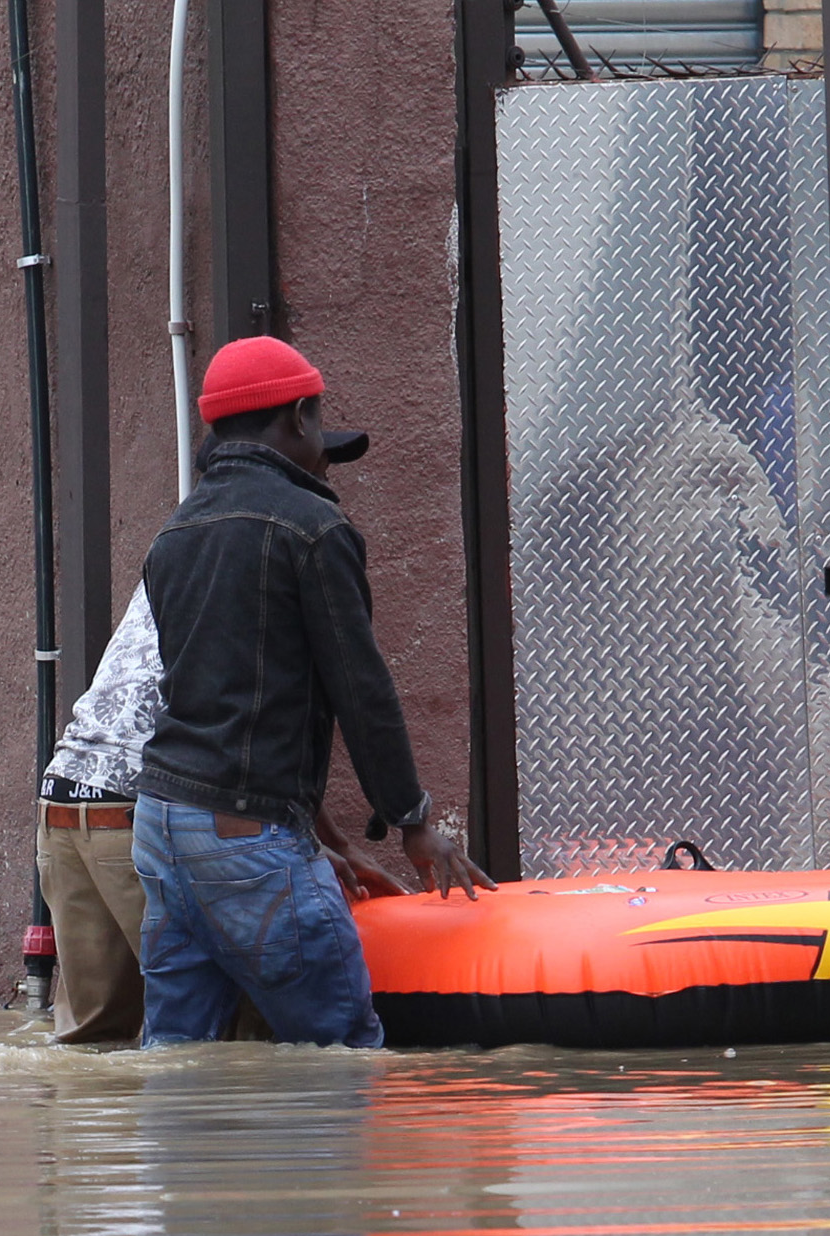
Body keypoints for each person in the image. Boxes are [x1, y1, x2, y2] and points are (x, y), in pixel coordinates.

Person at [133, 336, 492, 1047]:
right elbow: (360, 688)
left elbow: (225, 708)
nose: (327, 454)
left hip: (162, 826)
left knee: (176, 1062)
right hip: (242, 830)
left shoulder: (173, 536)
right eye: (322, 430)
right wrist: (411, 815)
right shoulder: (314, 529)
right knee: (342, 1053)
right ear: (297, 416)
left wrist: (314, 838)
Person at [37, 431, 403, 1044]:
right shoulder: (275, 554)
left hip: (64, 801)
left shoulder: (185, 550)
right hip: (148, 806)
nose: (324, 475)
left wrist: (323, 835)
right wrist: (402, 817)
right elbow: (244, 724)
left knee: (99, 1047)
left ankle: (71, 1144)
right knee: (247, 1033)